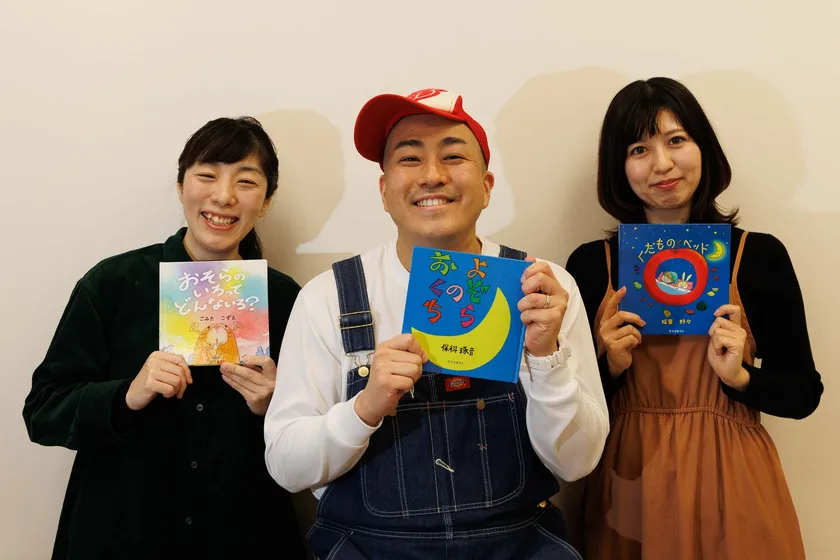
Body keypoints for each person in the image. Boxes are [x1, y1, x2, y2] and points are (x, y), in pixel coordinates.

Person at [263, 88, 609, 559]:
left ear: (486, 186)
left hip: (517, 544)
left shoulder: (542, 289)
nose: (432, 175)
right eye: (409, 158)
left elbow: (577, 462)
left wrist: (546, 359)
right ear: (384, 191)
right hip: (367, 548)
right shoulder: (327, 298)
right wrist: (364, 408)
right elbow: (286, 465)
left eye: (453, 156)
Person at [23, 117, 307, 559]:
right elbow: (43, 411)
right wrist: (125, 395)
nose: (224, 196)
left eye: (246, 181)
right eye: (207, 175)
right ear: (180, 186)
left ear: (266, 201)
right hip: (120, 535)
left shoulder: (288, 299)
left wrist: (275, 405)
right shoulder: (114, 284)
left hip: (241, 535)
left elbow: (317, 437)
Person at [565, 77, 824, 559]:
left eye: (676, 140)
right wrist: (609, 368)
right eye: (639, 149)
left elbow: (804, 394)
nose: (662, 164)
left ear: (704, 147)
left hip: (735, 484)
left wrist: (741, 377)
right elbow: (561, 408)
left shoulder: (759, 256)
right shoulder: (590, 265)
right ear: (618, 167)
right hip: (629, 487)